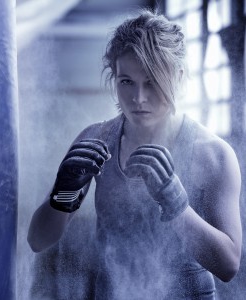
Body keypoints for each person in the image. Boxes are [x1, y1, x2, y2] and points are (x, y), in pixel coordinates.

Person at [27, 9, 242, 299]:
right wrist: (63, 193)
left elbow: (229, 265)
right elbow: (38, 240)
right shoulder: (97, 139)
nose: (138, 98)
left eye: (151, 81)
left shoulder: (212, 155)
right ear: (113, 77)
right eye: (126, 81)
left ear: (177, 77)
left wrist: (177, 205)